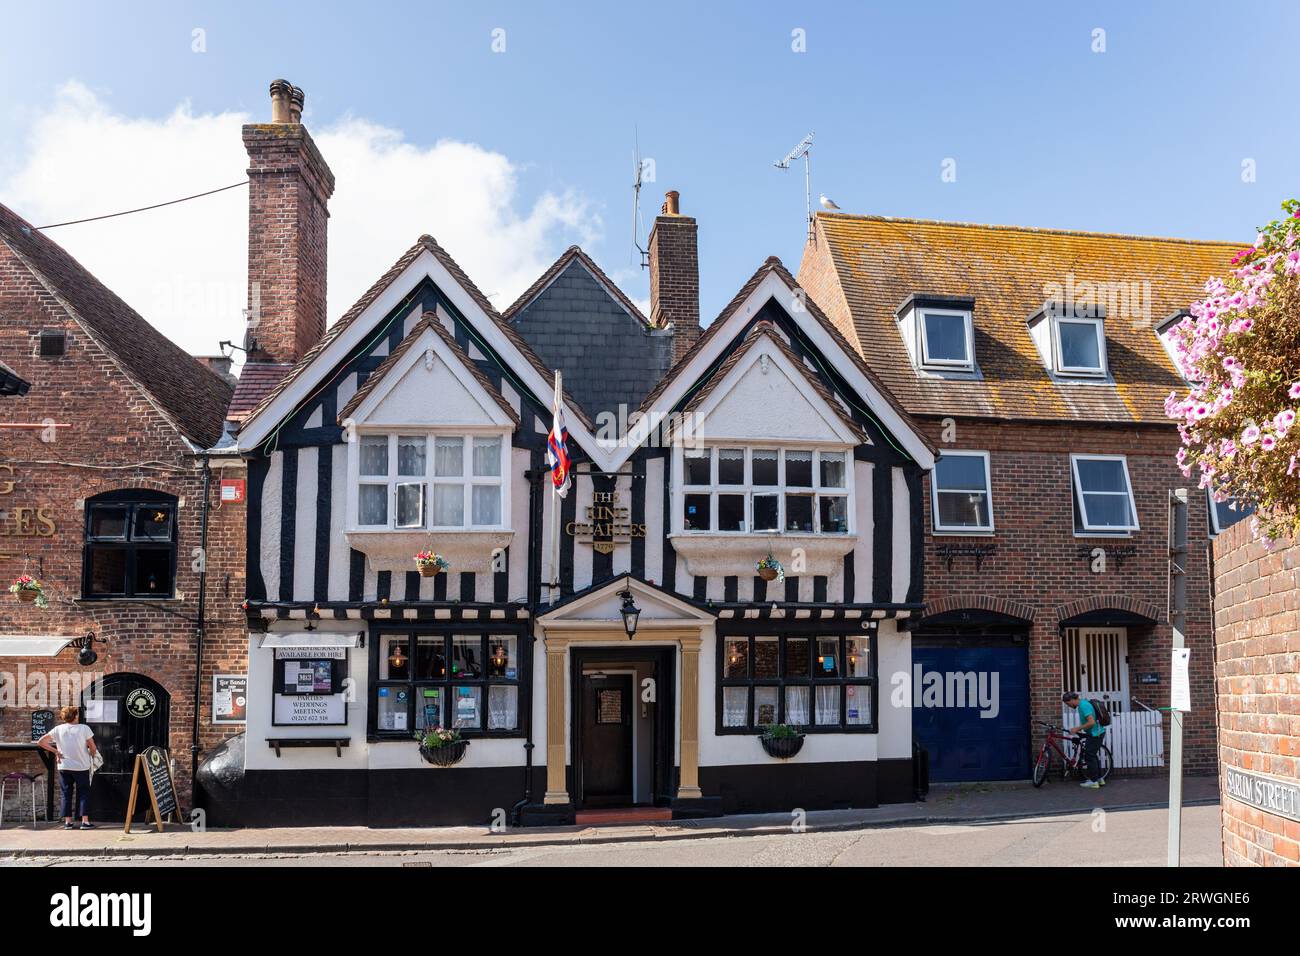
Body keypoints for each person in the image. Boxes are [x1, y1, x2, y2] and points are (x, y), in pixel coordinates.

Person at [37, 705, 98, 829]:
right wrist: (91, 754)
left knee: (66, 793)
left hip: (64, 766)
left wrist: (55, 752)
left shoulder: (58, 729)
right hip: (81, 766)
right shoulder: (84, 728)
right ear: (75, 716)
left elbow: (41, 742)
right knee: (84, 793)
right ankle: (85, 822)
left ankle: (68, 822)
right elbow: (93, 747)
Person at [1063, 691, 1105, 789]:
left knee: (1089, 757)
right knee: (1092, 756)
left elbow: (1091, 722)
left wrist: (1077, 728)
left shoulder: (1083, 706)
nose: (1068, 706)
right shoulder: (1084, 704)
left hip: (1095, 734)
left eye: (1067, 703)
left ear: (1072, 700)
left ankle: (1094, 782)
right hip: (1096, 733)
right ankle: (1099, 779)